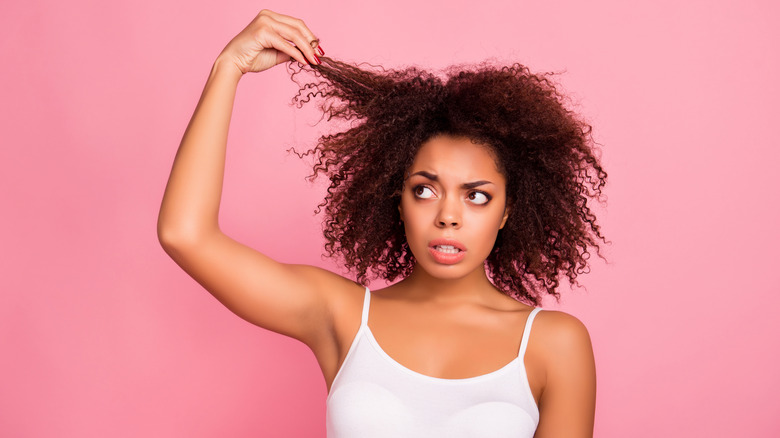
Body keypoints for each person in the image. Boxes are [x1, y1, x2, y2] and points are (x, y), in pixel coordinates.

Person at [158, 9, 606, 438]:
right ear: (398, 200)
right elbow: (185, 234)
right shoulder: (343, 317)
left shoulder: (554, 343)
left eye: (476, 196)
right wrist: (228, 67)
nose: (448, 216)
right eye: (425, 190)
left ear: (508, 211)